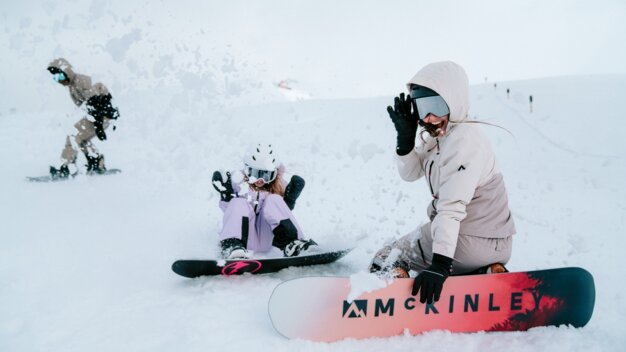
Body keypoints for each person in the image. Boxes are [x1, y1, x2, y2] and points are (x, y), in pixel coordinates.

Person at [370, 61, 516, 305]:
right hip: (500, 245)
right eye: (422, 106)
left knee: (385, 257)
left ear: (455, 101)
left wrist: (440, 264)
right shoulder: (445, 137)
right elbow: (411, 173)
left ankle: (399, 293)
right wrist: (405, 142)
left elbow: (451, 208)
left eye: (436, 106)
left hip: (464, 242)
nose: (429, 116)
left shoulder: (462, 143)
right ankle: (483, 272)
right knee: (438, 241)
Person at [211, 143, 317, 259]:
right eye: (255, 174)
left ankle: (293, 244)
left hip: (268, 237)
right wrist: (226, 195)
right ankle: (231, 246)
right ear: (247, 170)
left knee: (274, 199)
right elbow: (230, 212)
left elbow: (281, 211)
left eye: (267, 175)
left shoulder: (279, 184)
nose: (261, 180)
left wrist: (289, 201)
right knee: (238, 202)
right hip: (243, 237)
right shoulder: (237, 182)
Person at [46, 58, 119, 178]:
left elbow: (96, 103)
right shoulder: (73, 84)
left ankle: (65, 167)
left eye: (58, 77)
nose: (58, 81)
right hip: (99, 116)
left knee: (73, 135)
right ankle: (96, 162)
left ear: (66, 72)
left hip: (104, 115)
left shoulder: (81, 81)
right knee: (79, 138)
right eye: (55, 78)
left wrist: (99, 125)